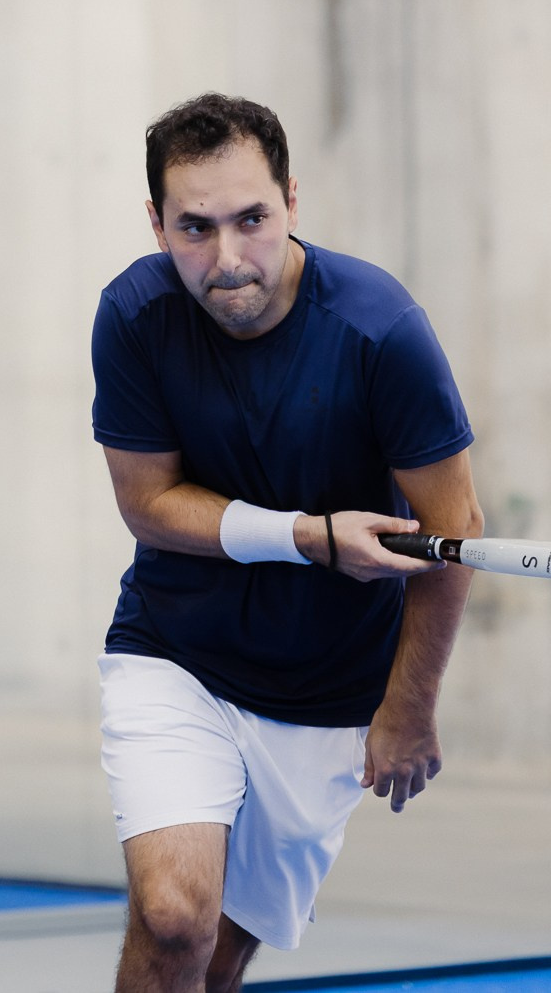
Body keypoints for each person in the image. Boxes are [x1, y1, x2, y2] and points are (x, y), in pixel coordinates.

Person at [93, 94, 484, 993]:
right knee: (173, 915)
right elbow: (148, 503)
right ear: (156, 222)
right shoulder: (134, 317)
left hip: (328, 689)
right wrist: (308, 537)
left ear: (292, 202)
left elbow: (453, 532)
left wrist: (409, 704)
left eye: (251, 219)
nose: (227, 259)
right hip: (174, 653)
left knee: (216, 957)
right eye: (194, 226)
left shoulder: (381, 329)